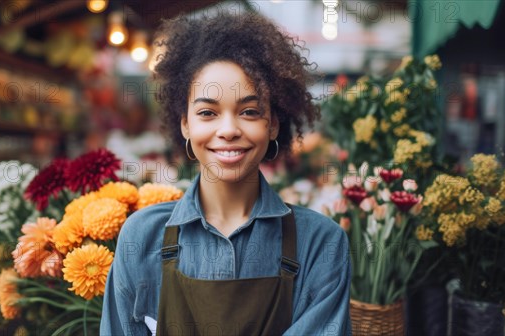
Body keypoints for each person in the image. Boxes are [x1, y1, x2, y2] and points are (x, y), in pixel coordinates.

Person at [101, 11, 351, 336]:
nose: (229, 129)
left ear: (273, 124)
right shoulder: (141, 237)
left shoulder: (320, 243)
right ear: (185, 124)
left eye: (249, 112)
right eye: (208, 113)